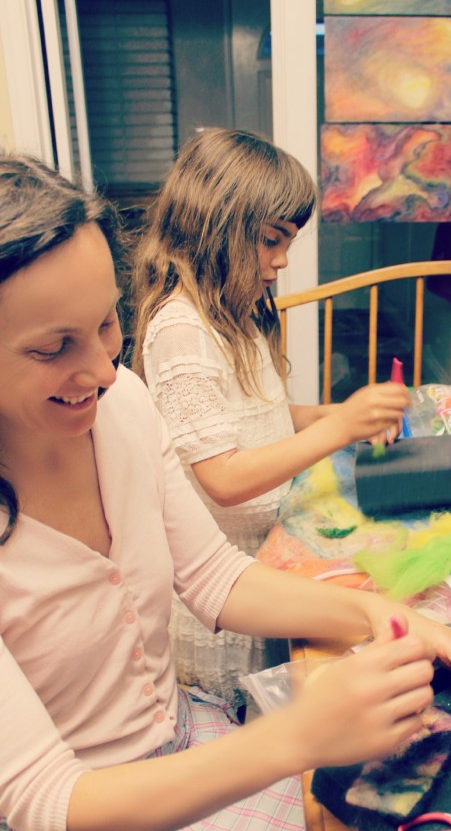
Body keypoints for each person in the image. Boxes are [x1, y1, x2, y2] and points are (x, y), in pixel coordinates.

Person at [0, 154, 451, 831]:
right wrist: (296, 735)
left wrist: (388, 619)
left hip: (185, 741)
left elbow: (216, 580)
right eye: (54, 348)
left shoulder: (121, 405)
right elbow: (54, 806)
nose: (103, 370)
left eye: (110, 325)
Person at [133, 128, 411, 714]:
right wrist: (335, 431)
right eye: (269, 240)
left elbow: (261, 415)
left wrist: (341, 414)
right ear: (216, 225)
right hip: (223, 595)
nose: (282, 261)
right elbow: (225, 478)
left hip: (268, 555)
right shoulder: (181, 329)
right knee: (253, 726)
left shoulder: (236, 313)